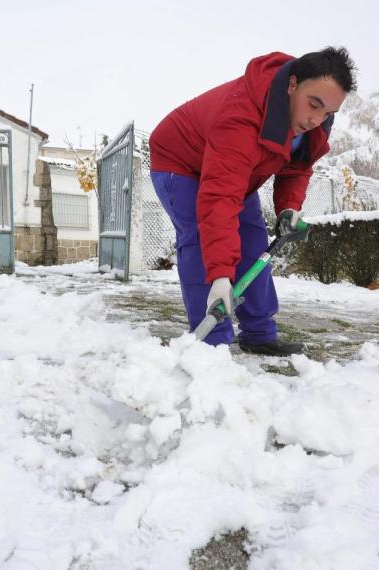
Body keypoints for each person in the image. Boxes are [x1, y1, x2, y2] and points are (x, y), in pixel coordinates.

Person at [149, 47, 356, 356]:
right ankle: (211, 343)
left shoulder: (312, 122)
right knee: (201, 239)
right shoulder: (241, 117)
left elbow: (298, 165)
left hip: (233, 171)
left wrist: (289, 206)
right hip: (180, 161)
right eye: (313, 104)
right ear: (292, 84)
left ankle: (258, 332)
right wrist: (220, 276)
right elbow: (219, 200)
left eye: (328, 112)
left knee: (254, 241)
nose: (317, 119)